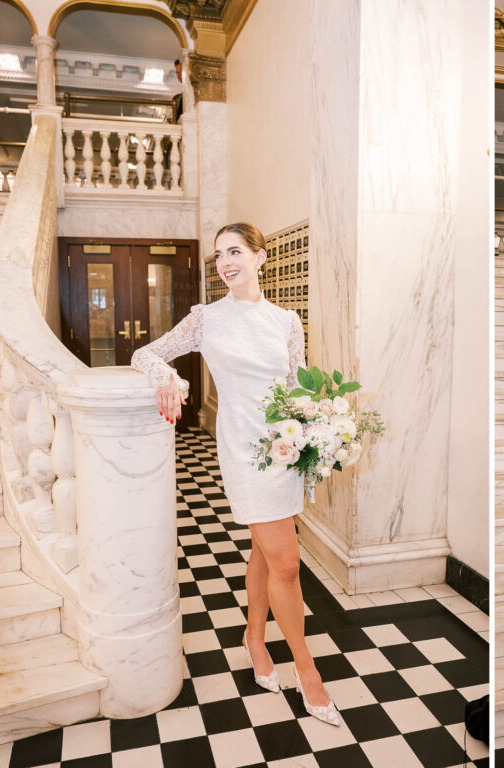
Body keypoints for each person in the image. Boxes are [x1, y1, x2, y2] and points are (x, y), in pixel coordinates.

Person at [131, 222, 342, 725]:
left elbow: (298, 388)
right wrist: (168, 376)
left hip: (284, 449)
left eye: (235, 252)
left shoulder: (286, 321)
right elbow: (146, 353)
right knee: (287, 563)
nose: (225, 262)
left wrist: (323, 431)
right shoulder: (206, 319)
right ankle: (307, 671)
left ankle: (254, 636)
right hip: (243, 449)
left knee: (267, 554)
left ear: (260, 257)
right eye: (219, 255)